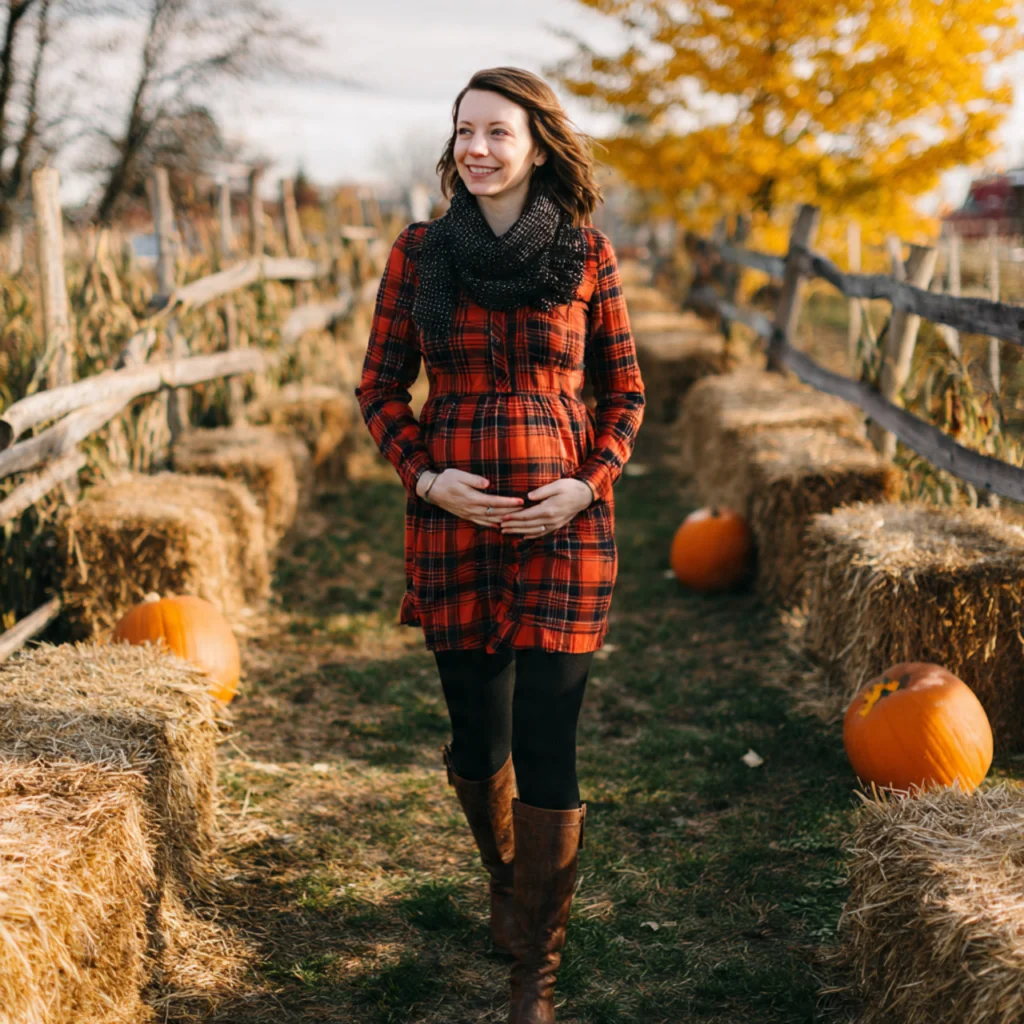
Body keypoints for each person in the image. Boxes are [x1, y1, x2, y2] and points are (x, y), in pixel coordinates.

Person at [355, 66, 645, 1024]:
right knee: (479, 740)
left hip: (566, 527)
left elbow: (625, 394)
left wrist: (586, 484)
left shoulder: (587, 255)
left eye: (497, 132)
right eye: (464, 131)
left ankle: (536, 973)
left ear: (537, 145)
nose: (476, 149)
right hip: (454, 527)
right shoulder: (422, 252)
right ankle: (508, 878)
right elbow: (379, 389)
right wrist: (426, 477)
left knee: (547, 742)